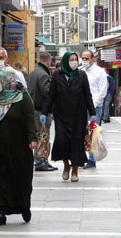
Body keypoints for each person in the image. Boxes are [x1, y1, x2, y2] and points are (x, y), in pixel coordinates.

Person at [0, 67, 37, 225]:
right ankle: (0, 211)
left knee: (19, 178)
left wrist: (32, 138)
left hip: (19, 148)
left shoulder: (23, 98)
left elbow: (29, 120)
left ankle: (23, 206)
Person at [41, 51, 96, 183]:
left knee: (77, 143)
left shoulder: (82, 75)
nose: (74, 62)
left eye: (75, 59)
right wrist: (44, 112)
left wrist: (92, 113)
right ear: (66, 61)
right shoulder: (57, 76)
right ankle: (66, 165)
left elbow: (87, 95)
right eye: (71, 59)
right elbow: (51, 96)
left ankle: (75, 170)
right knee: (62, 140)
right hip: (61, 115)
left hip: (78, 116)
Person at [28, 51, 57, 172]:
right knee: (43, 136)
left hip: (34, 108)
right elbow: (47, 92)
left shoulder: (33, 72)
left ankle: (43, 160)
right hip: (42, 110)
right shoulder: (44, 75)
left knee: (40, 135)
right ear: (48, 61)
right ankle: (40, 161)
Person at [80, 50, 107, 168]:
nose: (84, 60)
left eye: (86, 58)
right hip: (81, 107)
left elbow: (102, 91)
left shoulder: (100, 72)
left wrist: (92, 106)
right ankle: (80, 157)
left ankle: (91, 159)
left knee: (93, 133)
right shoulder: (80, 72)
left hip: (95, 108)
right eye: (83, 58)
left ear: (93, 59)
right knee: (80, 132)